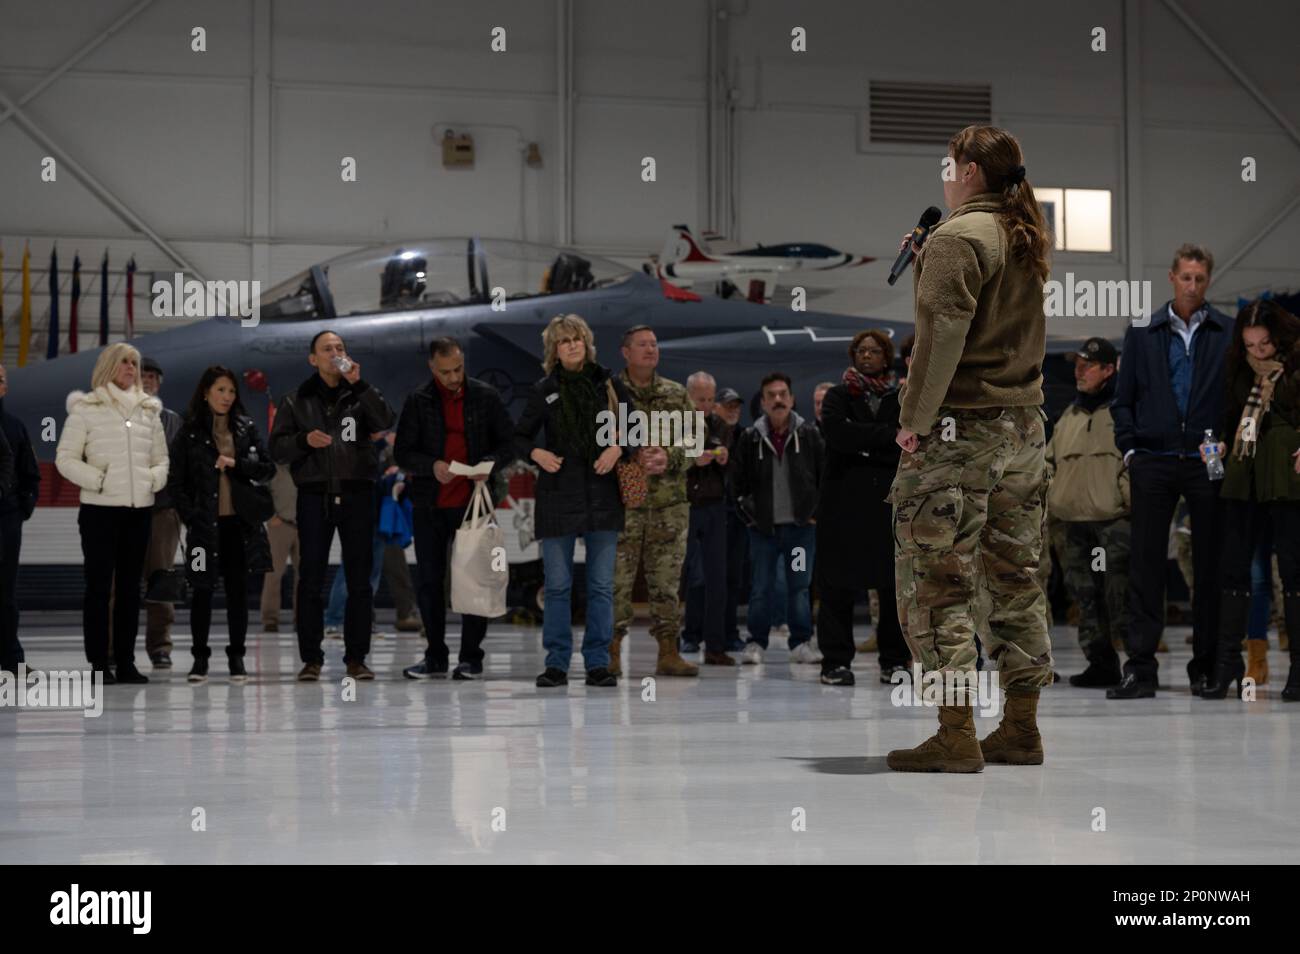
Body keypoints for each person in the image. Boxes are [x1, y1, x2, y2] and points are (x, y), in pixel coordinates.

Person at [885, 125, 1053, 772]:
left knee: (937, 583)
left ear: (972, 172)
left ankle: (956, 733)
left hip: (960, 432)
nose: (944, 175)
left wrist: (913, 420)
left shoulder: (958, 237)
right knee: (1016, 580)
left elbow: (941, 341)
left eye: (949, 166)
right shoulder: (1021, 234)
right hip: (1023, 429)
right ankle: (1020, 728)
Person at [1109, 244, 1233, 698]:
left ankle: (1204, 667)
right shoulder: (1142, 329)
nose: (1193, 286)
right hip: (1153, 463)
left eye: (1200, 279)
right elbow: (1122, 399)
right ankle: (1140, 669)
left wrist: (1226, 440)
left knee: (1209, 568)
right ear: (1171, 277)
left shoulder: (1227, 331)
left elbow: (1236, 400)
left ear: (1208, 280)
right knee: (1145, 568)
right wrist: (1130, 451)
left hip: (1207, 463)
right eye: (1186, 277)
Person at [269, 330, 396, 681]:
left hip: (357, 494)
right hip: (314, 495)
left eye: (340, 348)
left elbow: (386, 421)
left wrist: (361, 385)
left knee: (359, 581)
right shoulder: (295, 401)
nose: (335, 353)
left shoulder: (360, 396)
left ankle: (357, 659)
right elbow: (277, 448)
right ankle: (311, 659)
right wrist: (303, 440)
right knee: (310, 580)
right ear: (313, 359)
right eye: (327, 349)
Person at [513, 314, 627, 687]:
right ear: (554, 350)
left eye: (577, 338)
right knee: (558, 586)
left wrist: (617, 446)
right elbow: (519, 437)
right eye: (564, 341)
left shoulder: (609, 385)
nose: (572, 345)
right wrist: (538, 455)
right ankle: (556, 663)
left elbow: (634, 429)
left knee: (600, 587)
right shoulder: (544, 389)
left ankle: (597, 662)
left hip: (602, 495)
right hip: (558, 494)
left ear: (587, 343)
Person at [395, 337, 515, 680]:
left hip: (473, 502)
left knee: (474, 581)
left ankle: (471, 657)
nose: (453, 377)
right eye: (445, 371)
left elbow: (510, 443)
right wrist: (431, 465)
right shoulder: (418, 400)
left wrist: (489, 462)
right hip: (429, 503)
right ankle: (434, 655)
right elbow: (403, 452)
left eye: (458, 369)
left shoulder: (485, 396)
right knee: (430, 582)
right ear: (432, 368)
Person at [1201, 299, 1300, 700]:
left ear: (1279, 339)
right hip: (1245, 474)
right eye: (1251, 345)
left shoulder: (1295, 367)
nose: (1258, 352)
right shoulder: (1239, 369)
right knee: (1234, 568)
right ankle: (1227, 664)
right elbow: (1233, 416)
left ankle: (1298, 669)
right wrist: (1221, 445)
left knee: (1293, 572)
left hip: (1287, 476)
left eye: (1264, 344)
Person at [55, 343, 169, 684]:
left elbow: (161, 459)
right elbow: (65, 458)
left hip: (139, 512)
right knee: (99, 589)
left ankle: (126, 661)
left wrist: (152, 479)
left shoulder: (149, 411)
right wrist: (98, 480)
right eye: (125, 363)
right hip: (99, 512)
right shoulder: (86, 410)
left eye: (135, 363)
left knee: (132, 590)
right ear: (108, 367)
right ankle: (99, 665)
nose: (132, 370)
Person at [168, 366, 275, 683]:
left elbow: (266, 469)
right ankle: (199, 659)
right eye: (220, 390)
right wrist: (192, 517)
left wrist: (236, 464)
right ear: (205, 392)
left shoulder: (246, 428)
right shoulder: (189, 432)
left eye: (231, 391)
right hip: (204, 529)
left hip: (239, 528)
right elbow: (177, 483)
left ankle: (237, 658)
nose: (227, 397)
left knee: (238, 594)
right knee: (201, 592)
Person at [816, 330, 909, 685]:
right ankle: (835, 662)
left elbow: (907, 440)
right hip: (841, 505)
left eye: (874, 351)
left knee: (891, 587)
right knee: (836, 586)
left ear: (886, 357)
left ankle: (894, 661)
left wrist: (866, 438)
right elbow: (838, 435)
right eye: (861, 350)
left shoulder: (901, 397)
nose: (867, 355)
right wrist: (885, 435)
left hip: (886, 505)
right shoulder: (837, 395)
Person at [611, 326, 700, 677]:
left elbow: (695, 442)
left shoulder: (677, 394)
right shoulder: (610, 395)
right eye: (642, 345)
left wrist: (671, 457)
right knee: (616, 581)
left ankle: (668, 651)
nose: (650, 350)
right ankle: (611, 649)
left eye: (654, 344)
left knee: (666, 582)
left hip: (669, 506)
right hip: (622, 505)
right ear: (625, 352)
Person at [1045, 338, 1130, 688]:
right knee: (1084, 595)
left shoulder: (1124, 410)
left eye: (1088, 365)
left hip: (1112, 520)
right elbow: (1050, 461)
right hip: (1071, 523)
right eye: (1077, 364)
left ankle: (1137, 663)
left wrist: (1126, 497)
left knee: (1120, 594)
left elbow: (1135, 459)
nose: (1079, 371)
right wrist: (1054, 497)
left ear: (1109, 370)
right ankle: (1101, 663)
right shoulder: (1070, 414)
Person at [732, 371, 824, 665]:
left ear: (793, 399)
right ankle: (756, 643)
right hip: (764, 532)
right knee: (760, 587)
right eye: (771, 395)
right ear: (762, 402)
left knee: (799, 587)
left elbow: (824, 478)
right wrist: (750, 517)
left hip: (799, 530)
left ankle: (801, 643)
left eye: (783, 394)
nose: (778, 400)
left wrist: (813, 515)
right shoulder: (750, 438)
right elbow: (737, 484)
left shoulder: (809, 435)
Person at [681, 370, 735, 665]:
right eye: (700, 398)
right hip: (686, 505)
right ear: (688, 397)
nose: (705, 404)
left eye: (710, 399)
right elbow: (668, 462)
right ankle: (688, 635)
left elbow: (732, 468)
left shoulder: (720, 424)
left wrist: (723, 458)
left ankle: (715, 645)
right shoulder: (677, 425)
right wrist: (693, 460)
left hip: (714, 506)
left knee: (717, 577)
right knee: (691, 574)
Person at [137, 356, 184, 668]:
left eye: (154, 376)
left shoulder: (172, 421)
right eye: (143, 375)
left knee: (161, 582)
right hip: (124, 510)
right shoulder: (115, 417)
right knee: (119, 584)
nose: (148, 380)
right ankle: (115, 648)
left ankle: (159, 647)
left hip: (163, 511)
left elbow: (182, 465)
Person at [0, 365, 38, 677]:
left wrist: (21, 509)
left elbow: (30, 475)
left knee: (6, 592)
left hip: (6, 520)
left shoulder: (15, 427)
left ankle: (11, 659)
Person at [715, 387, 748, 652]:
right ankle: (695, 632)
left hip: (736, 516)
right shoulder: (704, 432)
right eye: (728, 405)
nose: (733, 410)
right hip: (709, 513)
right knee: (703, 578)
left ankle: (729, 631)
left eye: (736, 406)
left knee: (733, 577)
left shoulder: (745, 436)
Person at [260, 463, 299, 632]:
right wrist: (270, 517)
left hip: (304, 525)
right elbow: (261, 494)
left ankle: (303, 618)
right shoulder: (273, 469)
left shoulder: (306, 465)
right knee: (273, 574)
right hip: (280, 524)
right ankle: (270, 620)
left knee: (305, 576)